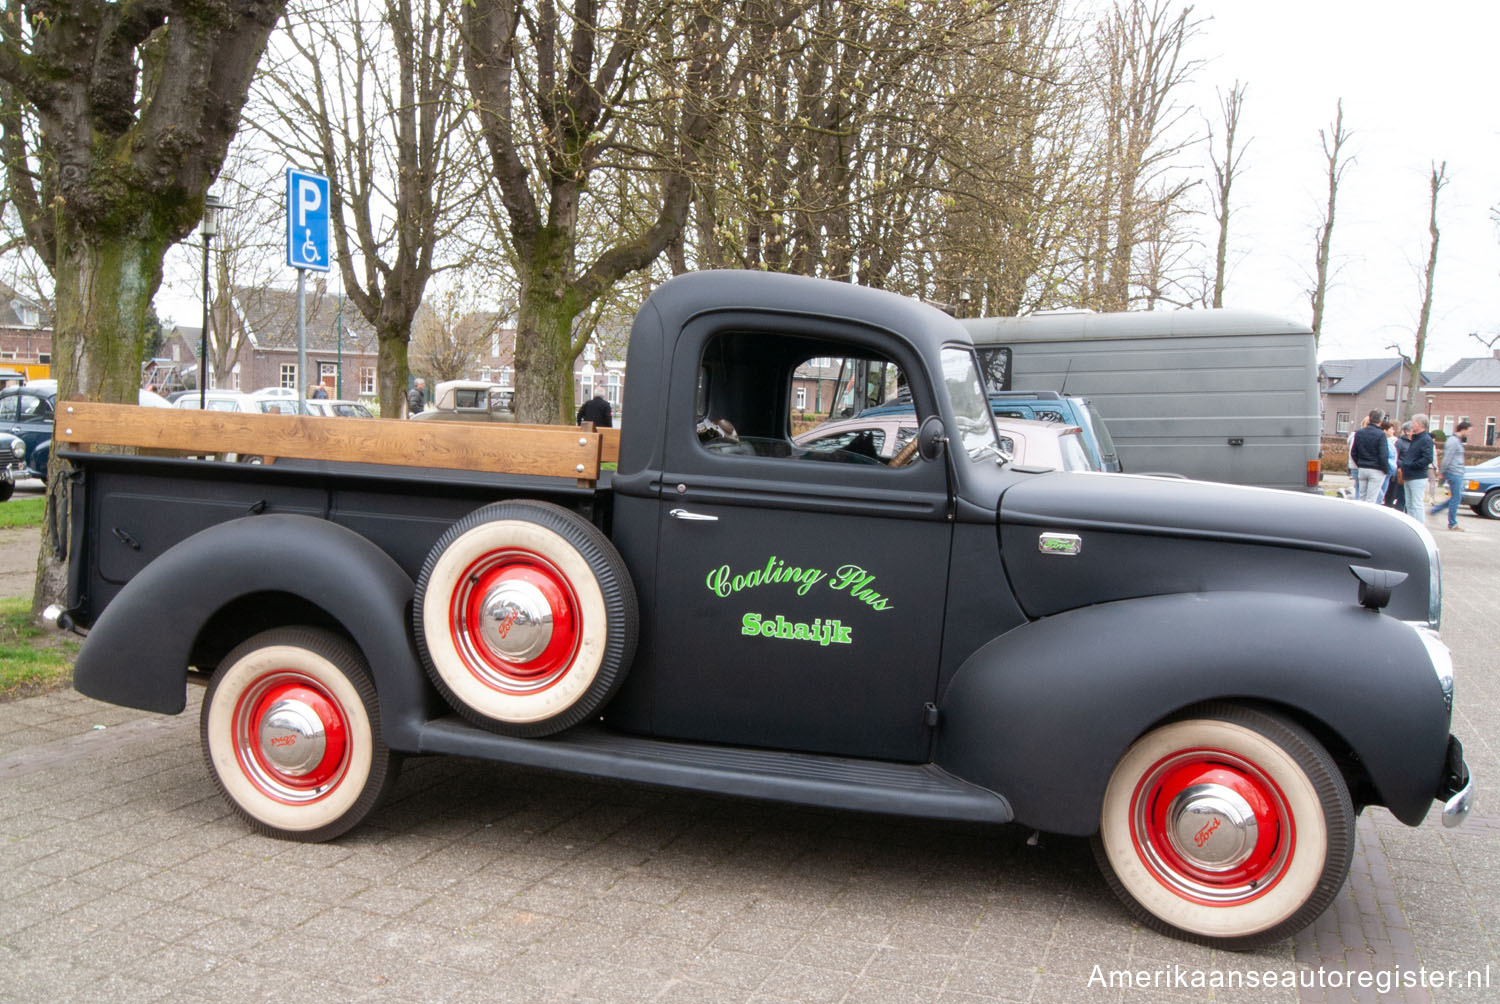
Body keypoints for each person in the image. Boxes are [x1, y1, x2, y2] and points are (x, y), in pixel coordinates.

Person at [1429, 420, 1470, 531]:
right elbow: (1447, 458)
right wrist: (1442, 472)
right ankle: (1452, 523)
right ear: (1463, 429)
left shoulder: (1457, 440)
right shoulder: (1453, 441)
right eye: (1469, 430)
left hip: (1457, 472)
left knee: (1456, 497)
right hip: (1454, 472)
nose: (1469, 433)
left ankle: (1436, 510)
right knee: (1456, 498)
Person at [1349, 409, 1390, 504]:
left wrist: (1359, 463)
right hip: (1376, 469)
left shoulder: (1359, 432)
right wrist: (1385, 470)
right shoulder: (1381, 434)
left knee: (1361, 497)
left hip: (1362, 468)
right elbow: (1383, 454)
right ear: (1381, 420)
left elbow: (1353, 452)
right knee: (1371, 499)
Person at [1401, 414, 1435, 522]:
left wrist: (1412, 465)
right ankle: (1412, 524)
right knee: (1409, 504)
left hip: (1417, 476)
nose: (1411, 425)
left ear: (1420, 424)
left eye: (1413, 422)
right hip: (1409, 475)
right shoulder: (1416, 438)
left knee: (1416, 504)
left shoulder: (1425, 439)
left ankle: (1420, 526)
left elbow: (1428, 458)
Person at [1383, 421, 1408, 509]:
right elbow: (1394, 457)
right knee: (1391, 494)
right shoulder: (1398, 442)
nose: (1393, 432)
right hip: (1396, 471)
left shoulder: (1397, 441)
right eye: (1391, 429)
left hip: (1397, 471)